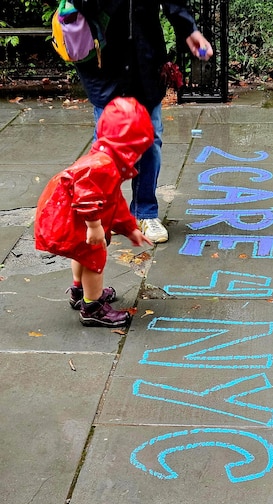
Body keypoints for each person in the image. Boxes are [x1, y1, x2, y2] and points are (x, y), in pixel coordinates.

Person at [73, 0, 213, 244]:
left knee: (150, 140)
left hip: (145, 59)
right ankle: (105, 212)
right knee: (105, 147)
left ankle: (144, 212)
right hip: (104, 59)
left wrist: (190, 30)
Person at [35, 97, 154, 328]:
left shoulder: (104, 159)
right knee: (94, 258)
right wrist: (94, 226)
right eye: (139, 148)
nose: (140, 155)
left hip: (66, 217)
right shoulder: (103, 165)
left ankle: (79, 290)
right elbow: (87, 195)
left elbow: (114, 202)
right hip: (74, 221)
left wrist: (130, 228)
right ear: (127, 146)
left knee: (83, 254)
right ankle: (92, 307)